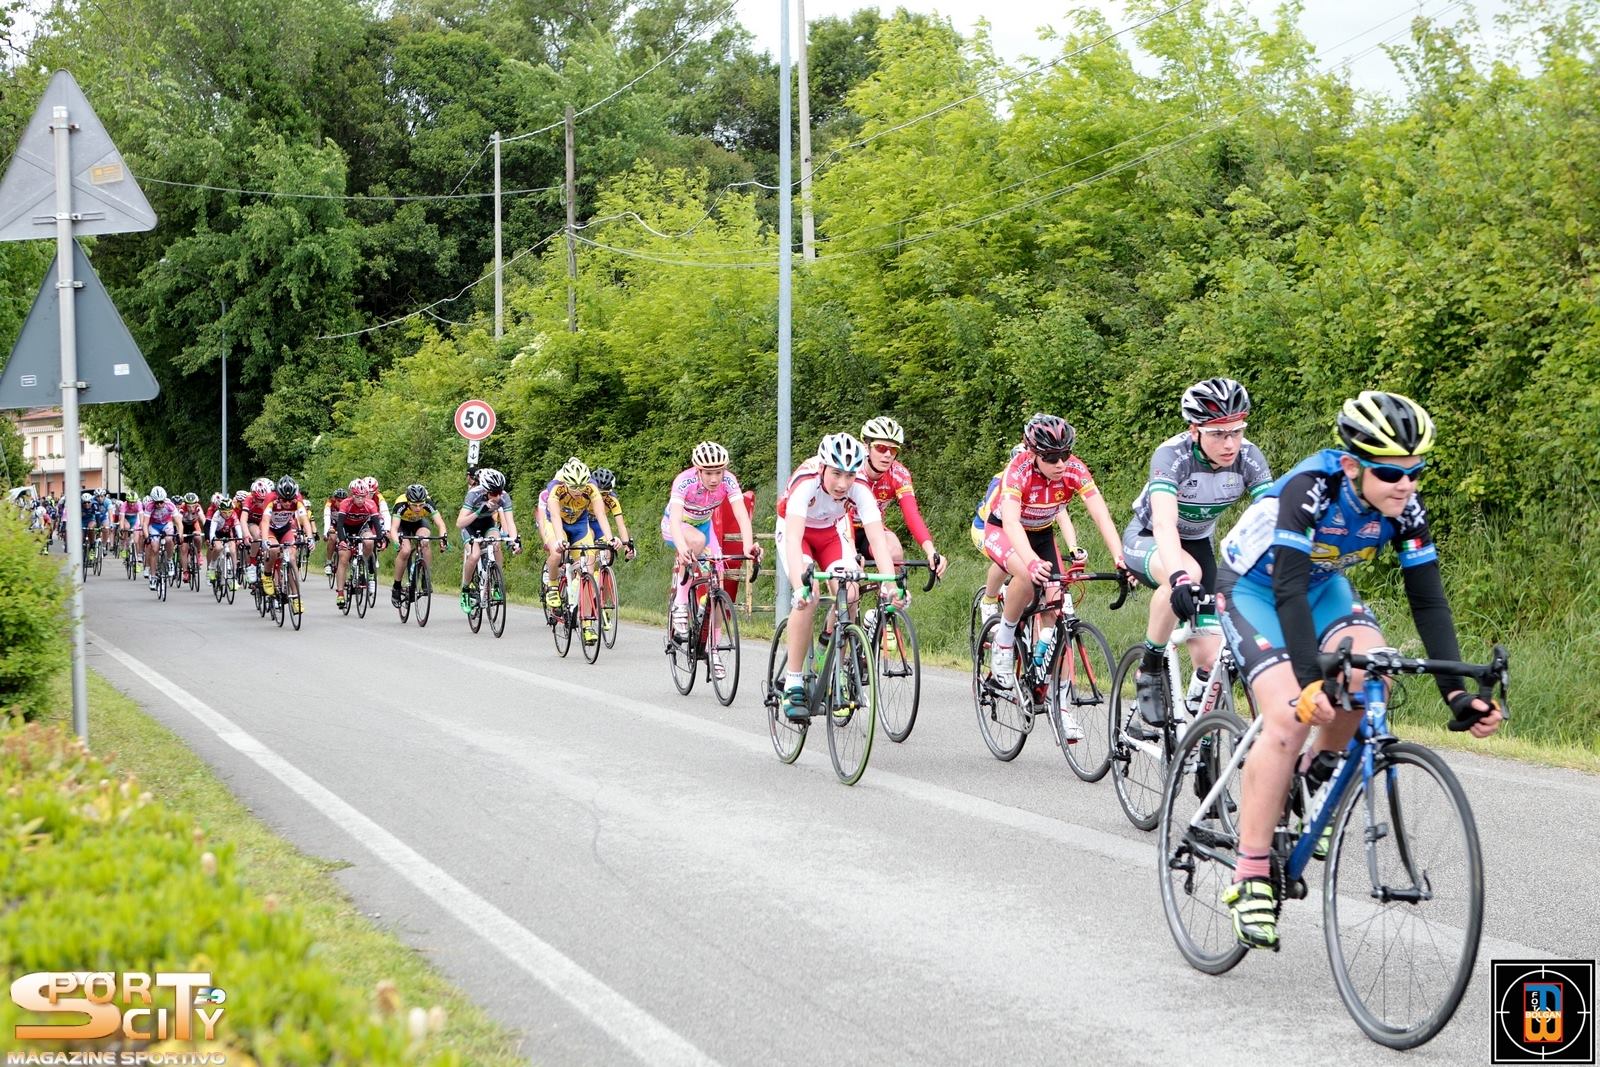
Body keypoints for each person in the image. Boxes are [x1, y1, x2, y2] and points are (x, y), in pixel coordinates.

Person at [1215, 391, 1503, 951]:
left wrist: (1457, 697)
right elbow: (1287, 587)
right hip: (1255, 588)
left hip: (1321, 589)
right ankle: (1250, 873)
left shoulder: (1405, 508)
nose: (1407, 484)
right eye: (1391, 473)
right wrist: (1308, 682)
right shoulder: (1310, 490)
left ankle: (1320, 774)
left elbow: (1430, 603)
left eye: (1416, 472)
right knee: (1286, 718)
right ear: (1352, 465)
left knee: (1373, 673)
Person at [1124, 378, 1272, 739]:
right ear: (1195, 430)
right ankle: (1150, 667)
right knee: (1186, 572)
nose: (1230, 443)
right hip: (1149, 538)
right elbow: (1163, 521)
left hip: (1200, 544)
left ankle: (1195, 719)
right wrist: (1176, 577)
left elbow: (1273, 519)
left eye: (1236, 432)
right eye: (1219, 434)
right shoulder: (1172, 456)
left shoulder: (1249, 458)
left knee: (1211, 655)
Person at [976, 415, 1129, 740]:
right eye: (1051, 458)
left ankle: (1059, 707)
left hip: (1042, 534)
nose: (1060, 463)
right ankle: (1003, 643)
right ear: (1033, 454)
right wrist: (1030, 563)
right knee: (1026, 577)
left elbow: (1100, 513)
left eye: (1065, 454)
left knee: (1054, 609)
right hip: (1004, 530)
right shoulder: (1017, 471)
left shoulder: (1073, 469)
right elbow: (1013, 524)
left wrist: (1120, 556)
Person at [776, 433, 900, 716]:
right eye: (836, 474)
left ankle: (837, 673)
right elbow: (794, 540)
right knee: (810, 595)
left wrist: (891, 583)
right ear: (822, 468)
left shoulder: (859, 489)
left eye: (849, 476)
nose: (843, 484)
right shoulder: (805, 483)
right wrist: (799, 586)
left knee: (851, 591)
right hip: (797, 532)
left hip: (830, 534)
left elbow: (877, 539)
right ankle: (794, 682)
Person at [661, 442, 760, 639]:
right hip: (677, 525)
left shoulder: (729, 481)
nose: (714, 479)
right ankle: (680, 603)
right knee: (696, 541)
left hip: (704, 527)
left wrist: (748, 545)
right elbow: (674, 519)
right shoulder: (684, 481)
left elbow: (741, 515)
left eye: (719, 472)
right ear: (698, 471)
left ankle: (713, 649)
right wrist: (682, 547)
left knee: (717, 583)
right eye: (708, 473)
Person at [850, 416, 948, 581]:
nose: (888, 455)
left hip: (872, 530)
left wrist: (931, 551)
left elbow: (912, 515)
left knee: (894, 551)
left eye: (893, 450)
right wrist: (851, 553)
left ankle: (886, 601)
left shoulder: (898, 474)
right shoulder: (851, 469)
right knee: (849, 589)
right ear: (866, 447)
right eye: (881, 448)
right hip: (843, 529)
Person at [538, 457, 619, 644]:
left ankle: (587, 625)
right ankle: (552, 585)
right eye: (573, 487)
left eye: (581, 486)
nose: (578, 491)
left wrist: (609, 538)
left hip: (580, 525)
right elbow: (556, 518)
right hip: (557, 523)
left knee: (588, 570)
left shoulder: (591, 488)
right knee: (557, 552)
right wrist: (559, 540)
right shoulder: (555, 489)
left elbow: (600, 515)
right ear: (565, 483)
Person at [456, 467, 521, 613]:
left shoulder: (504, 496)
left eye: (499, 492)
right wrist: (479, 511)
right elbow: (460, 523)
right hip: (470, 526)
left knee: (496, 544)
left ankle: (496, 583)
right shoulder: (473, 495)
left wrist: (514, 541)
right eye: (493, 493)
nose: (497, 497)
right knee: (474, 556)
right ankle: (466, 590)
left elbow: (510, 523)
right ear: (484, 490)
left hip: (487, 524)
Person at [390, 483, 448, 606]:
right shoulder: (401, 504)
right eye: (414, 505)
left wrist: (443, 539)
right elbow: (394, 528)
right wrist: (396, 542)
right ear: (408, 501)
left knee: (425, 541)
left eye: (421, 505)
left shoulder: (428, 502)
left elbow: (440, 524)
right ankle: (396, 586)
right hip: (402, 525)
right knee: (405, 551)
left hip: (419, 523)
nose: (418, 508)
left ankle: (425, 578)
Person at [588, 468, 635, 560]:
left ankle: (599, 572)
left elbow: (621, 525)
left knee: (608, 551)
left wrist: (627, 547)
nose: (600, 497)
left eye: (604, 493)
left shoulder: (612, 500)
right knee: (590, 534)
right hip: (583, 521)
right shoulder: (586, 495)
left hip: (597, 524)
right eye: (598, 492)